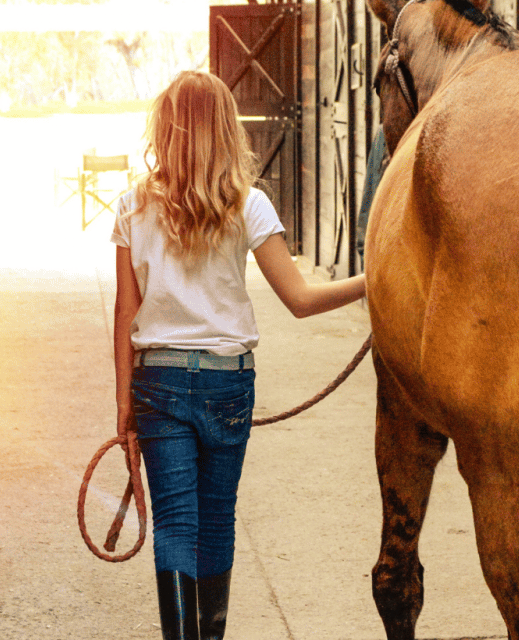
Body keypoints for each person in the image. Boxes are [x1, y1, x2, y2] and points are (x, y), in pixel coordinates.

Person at [111, 70, 367, 640]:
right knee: (216, 520)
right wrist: (373, 281)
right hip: (228, 383)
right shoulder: (249, 206)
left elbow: (125, 319)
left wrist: (124, 405)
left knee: (176, 525)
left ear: (165, 128)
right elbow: (300, 300)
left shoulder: (132, 207)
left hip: (159, 384)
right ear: (227, 129)